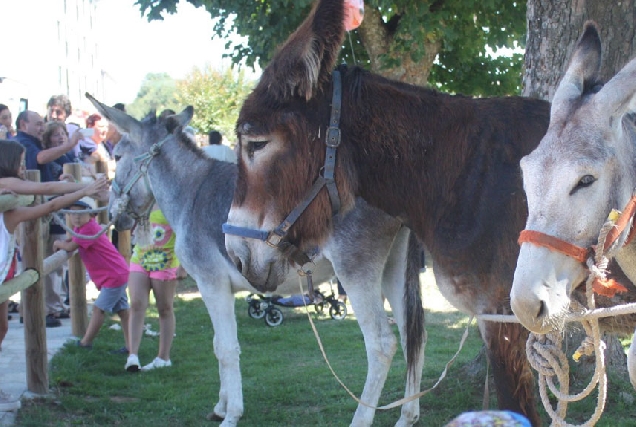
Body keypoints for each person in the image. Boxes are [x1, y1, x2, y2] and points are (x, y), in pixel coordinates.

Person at [0, 139, 107, 351]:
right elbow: (46, 189)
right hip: (4, 264)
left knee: (3, 327)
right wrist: (86, 188)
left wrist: (73, 189)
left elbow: (50, 199)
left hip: (5, 266)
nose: (23, 167)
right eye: (20, 163)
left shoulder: (11, 202)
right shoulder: (6, 182)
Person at [13, 111, 80, 327]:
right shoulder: (22, 143)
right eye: (38, 124)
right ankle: (34, 311)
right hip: (33, 210)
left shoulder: (34, 142)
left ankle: (50, 307)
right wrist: (70, 144)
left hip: (45, 209)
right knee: (34, 258)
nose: (42, 128)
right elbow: (40, 160)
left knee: (48, 257)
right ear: (24, 124)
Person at [53, 198, 130, 351]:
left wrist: (57, 244)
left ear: (91, 215)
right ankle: (131, 346)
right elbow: (74, 239)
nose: (76, 217)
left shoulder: (89, 229)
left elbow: (70, 246)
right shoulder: (84, 228)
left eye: (81, 213)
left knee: (98, 309)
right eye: (73, 213)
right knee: (123, 312)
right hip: (117, 273)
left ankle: (85, 343)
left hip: (113, 276)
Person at [125, 206, 180, 372]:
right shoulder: (142, 200)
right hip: (140, 257)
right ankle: (132, 356)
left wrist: (183, 265)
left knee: (164, 308)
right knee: (136, 304)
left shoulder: (170, 196)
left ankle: (163, 357)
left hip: (166, 260)